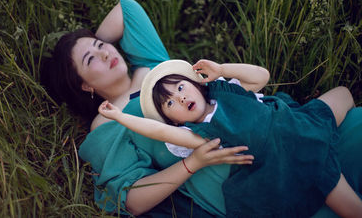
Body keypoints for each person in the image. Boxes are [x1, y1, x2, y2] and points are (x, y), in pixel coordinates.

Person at [42, 0, 362, 217]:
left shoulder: (152, 65)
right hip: (245, 175)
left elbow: (126, 9)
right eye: (91, 60)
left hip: (281, 126)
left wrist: (86, 43)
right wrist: (191, 163)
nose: (105, 53)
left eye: (102, 46)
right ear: (84, 85)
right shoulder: (109, 122)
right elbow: (133, 200)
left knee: (355, 131)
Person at [98, 59, 361, 217]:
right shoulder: (198, 136)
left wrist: (222, 67)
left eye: (180, 87)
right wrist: (121, 117)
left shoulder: (226, 90)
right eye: (169, 103)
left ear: (196, 84)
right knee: (351, 209)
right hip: (289, 164)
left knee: (342, 94)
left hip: (303, 129)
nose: (179, 97)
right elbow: (158, 131)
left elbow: (262, 76)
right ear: (175, 121)